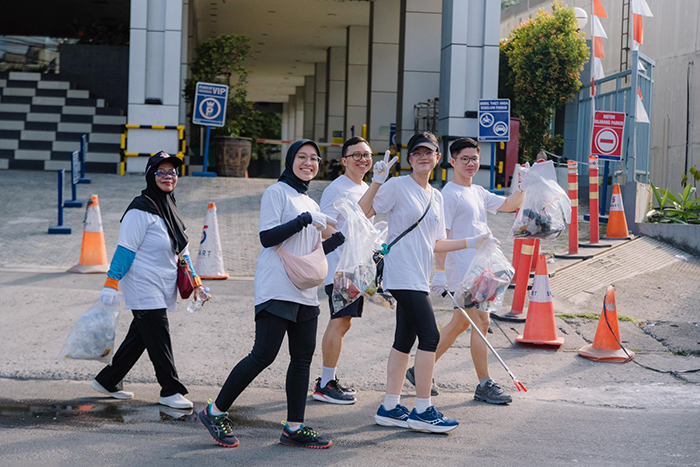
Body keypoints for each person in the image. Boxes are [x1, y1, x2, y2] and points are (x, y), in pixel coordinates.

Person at [198, 139, 344, 449]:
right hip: (276, 283)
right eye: (302, 157)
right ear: (290, 160)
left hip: (304, 291)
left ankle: (294, 427)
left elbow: (309, 250)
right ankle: (214, 411)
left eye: (314, 159)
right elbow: (267, 238)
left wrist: (342, 238)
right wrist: (304, 220)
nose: (308, 163)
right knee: (263, 354)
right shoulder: (276, 192)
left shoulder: (312, 202)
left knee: (302, 358)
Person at [357, 132, 490, 433]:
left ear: (437, 158)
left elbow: (437, 243)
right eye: (416, 153)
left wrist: (472, 241)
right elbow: (363, 212)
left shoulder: (437, 196)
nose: (422, 157)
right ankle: (423, 409)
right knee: (430, 337)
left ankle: (390, 407)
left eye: (428, 152)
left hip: (419, 275)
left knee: (404, 340)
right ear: (409, 159)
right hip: (401, 273)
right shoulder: (397, 186)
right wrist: (377, 179)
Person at [92, 151, 209, 410]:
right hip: (143, 284)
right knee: (158, 334)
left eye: (173, 172)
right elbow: (125, 249)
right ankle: (170, 389)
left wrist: (197, 283)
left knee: (142, 336)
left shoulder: (169, 206)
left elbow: (183, 248)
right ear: (150, 175)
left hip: (163, 282)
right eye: (162, 172)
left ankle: (107, 381)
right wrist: (112, 283)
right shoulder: (139, 209)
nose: (168, 177)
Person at [411, 137, 524, 404]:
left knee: (462, 322)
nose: (470, 163)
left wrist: (523, 184)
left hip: (479, 271)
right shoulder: (449, 195)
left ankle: (419, 370)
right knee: (481, 322)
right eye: (465, 159)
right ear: (452, 161)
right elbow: (441, 237)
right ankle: (484, 384)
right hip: (460, 272)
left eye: (474, 158)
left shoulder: (477, 192)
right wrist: (439, 273)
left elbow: (509, 205)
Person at [312, 136, 373, 405]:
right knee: (339, 321)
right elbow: (324, 224)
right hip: (340, 269)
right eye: (356, 155)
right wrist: (343, 242)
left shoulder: (365, 187)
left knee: (344, 322)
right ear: (344, 160)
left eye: (367, 155)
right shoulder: (338, 189)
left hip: (357, 269)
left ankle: (328, 379)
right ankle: (325, 384)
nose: (363, 159)